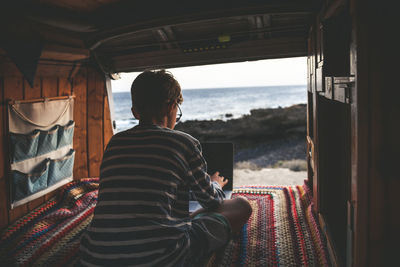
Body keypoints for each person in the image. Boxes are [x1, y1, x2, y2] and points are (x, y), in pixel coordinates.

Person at [79, 69, 252, 266]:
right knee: (241, 205)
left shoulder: (115, 142)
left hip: (96, 257)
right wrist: (216, 184)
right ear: (171, 106)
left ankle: (186, 219)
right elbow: (212, 201)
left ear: (135, 112)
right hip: (162, 257)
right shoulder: (184, 143)